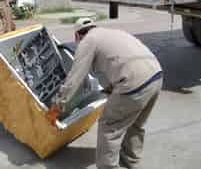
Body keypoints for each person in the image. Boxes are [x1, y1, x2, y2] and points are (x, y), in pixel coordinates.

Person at [50, 18, 163, 169]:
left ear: (77, 35)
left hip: (134, 85)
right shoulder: (110, 33)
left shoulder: (88, 41)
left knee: (109, 126)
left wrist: (58, 105)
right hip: (156, 76)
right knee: (136, 124)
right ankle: (132, 162)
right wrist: (109, 89)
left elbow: (74, 78)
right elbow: (122, 61)